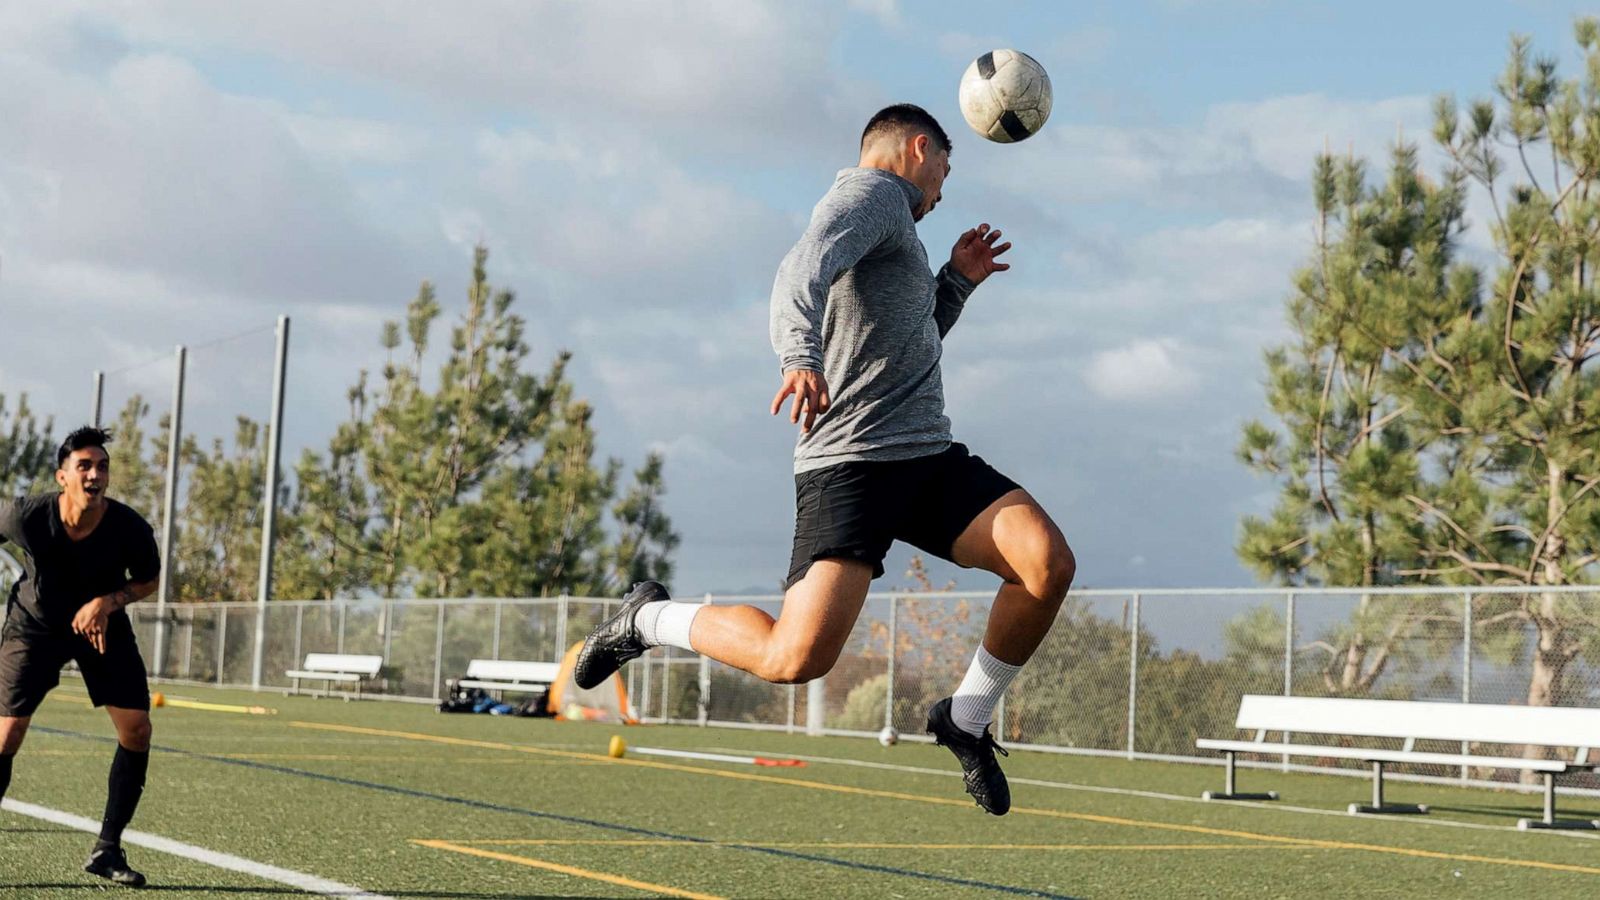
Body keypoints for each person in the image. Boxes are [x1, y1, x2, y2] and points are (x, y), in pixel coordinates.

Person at [576, 104, 1075, 815]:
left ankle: (963, 718)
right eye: (945, 170)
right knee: (793, 659)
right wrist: (797, 356)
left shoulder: (898, 225)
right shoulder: (871, 194)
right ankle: (645, 621)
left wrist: (955, 283)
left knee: (1046, 565)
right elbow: (800, 269)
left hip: (927, 458)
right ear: (918, 148)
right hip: (852, 465)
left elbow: (911, 343)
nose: (943, 189)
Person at [0, 427, 161, 885]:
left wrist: (107, 603)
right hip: (35, 626)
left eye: (102, 466)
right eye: (84, 466)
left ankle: (107, 850)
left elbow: (149, 580)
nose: (96, 474)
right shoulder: (26, 515)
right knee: (6, 735)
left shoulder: (129, 527)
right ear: (63, 476)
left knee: (137, 728)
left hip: (99, 626)